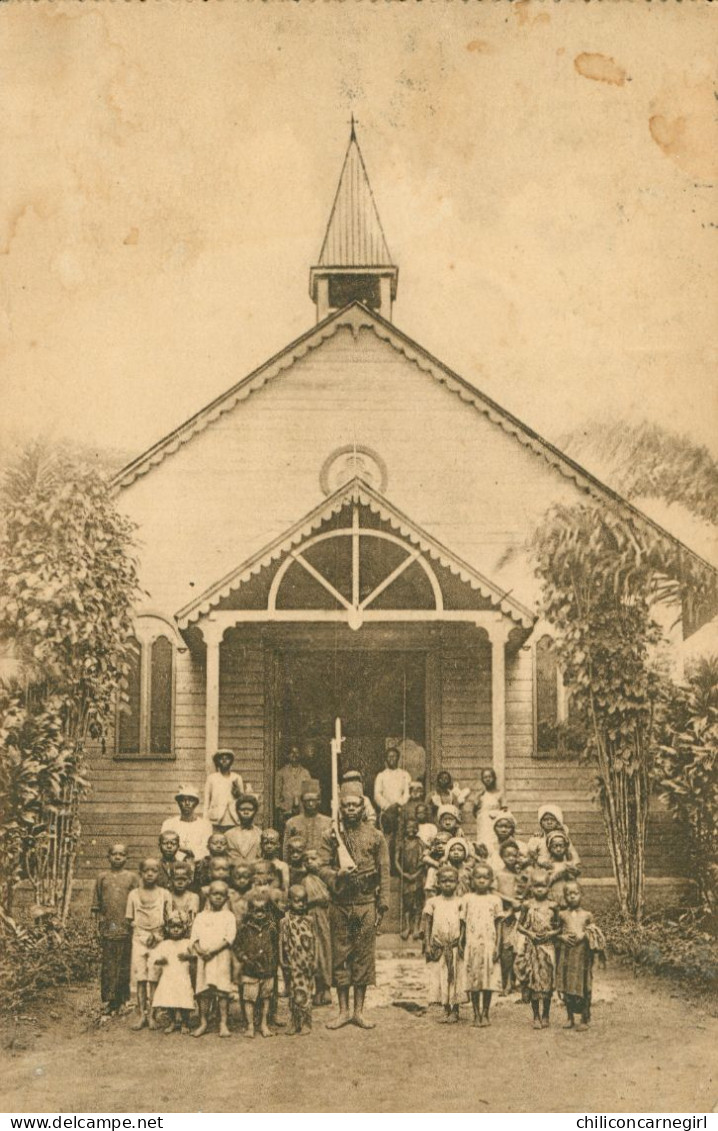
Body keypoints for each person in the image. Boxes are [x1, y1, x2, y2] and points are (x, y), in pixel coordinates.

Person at [317, 780, 390, 1030]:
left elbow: (384, 871)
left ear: (362, 807)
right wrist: (337, 876)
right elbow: (321, 867)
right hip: (339, 903)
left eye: (354, 805)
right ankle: (343, 1011)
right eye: (345, 805)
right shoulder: (331, 835)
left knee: (363, 956)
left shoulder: (375, 835)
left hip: (366, 902)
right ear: (340, 808)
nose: (350, 810)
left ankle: (359, 1011)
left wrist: (383, 904)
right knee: (340, 956)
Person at [91, 843, 139, 1015]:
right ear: (108, 857)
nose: (118, 857)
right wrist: (99, 924)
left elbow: (138, 902)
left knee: (124, 964)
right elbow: (96, 904)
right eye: (114, 854)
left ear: (127, 858)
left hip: (127, 927)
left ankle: (123, 998)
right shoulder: (102, 877)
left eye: (122, 854)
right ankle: (110, 1000)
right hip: (109, 927)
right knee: (109, 964)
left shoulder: (132, 878)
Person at [125, 857, 172, 1030]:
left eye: (154, 871)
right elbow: (130, 920)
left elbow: (169, 921)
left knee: (154, 977)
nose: (150, 874)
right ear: (141, 873)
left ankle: (153, 1014)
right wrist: (143, 936)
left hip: (158, 939)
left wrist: (158, 936)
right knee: (140, 977)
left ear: (159, 873)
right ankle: (141, 1015)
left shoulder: (164, 894)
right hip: (139, 939)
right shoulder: (133, 894)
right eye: (147, 871)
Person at [556, 882, 606, 1030]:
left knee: (584, 985)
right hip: (567, 955)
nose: (572, 896)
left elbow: (594, 932)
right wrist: (562, 937)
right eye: (568, 894)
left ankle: (585, 1017)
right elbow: (556, 932)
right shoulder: (561, 914)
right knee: (567, 984)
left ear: (581, 895)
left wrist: (583, 935)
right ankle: (570, 1017)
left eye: (575, 893)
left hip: (583, 956)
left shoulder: (587, 915)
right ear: (564, 897)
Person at [190, 880, 236, 1038]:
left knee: (222, 990)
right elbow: (194, 937)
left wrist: (213, 951)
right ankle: (203, 1022)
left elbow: (229, 938)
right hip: (204, 958)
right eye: (215, 894)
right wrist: (200, 951)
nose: (218, 897)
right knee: (204, 991)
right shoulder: (201, 917)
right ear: (208, 896)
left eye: (222, 895)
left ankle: (223, 1023)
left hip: (221, 957)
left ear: (226, 898)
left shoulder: (228, 916)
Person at [460, 863, 504, 1027]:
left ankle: (485, 1012)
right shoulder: (467, 899)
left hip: (489, 945)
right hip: (472, 945)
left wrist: (498, 944)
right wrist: (461, 940)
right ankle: (476, 1013)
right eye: (478, 877)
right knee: (474, 980)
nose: (481, 881)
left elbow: (499, 923)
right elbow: (463, 922)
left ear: (491, 880)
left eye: (485, 877)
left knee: (488, 980)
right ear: (472, 880)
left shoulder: (495, 900)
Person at [516, 871, 561, 1029]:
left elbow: (559, 928)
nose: (539, 890)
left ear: (548, 888)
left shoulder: (553, 906)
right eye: (536, 886)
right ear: (531, 887)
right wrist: (530, 933)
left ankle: (546, 1014)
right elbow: (519, 926)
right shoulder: (527, 905)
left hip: (547, 949)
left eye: (543, 886)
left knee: (546, 983)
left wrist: (550, 933)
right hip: (532, 948)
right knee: (533, 982)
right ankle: (535, 1015)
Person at [233, 890, 280, 1039]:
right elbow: (236, 946)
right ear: (250, 911)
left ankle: (264, 1024)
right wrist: (244, 957)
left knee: (266, 997)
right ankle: (250, 1025)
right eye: (255, 911)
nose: (259, 914)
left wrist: (273, 963)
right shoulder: (244, 928)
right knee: (249, 998)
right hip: (250, 969)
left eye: (263, 911)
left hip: (267, 970)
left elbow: (275, 946)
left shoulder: (272, 928)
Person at [421, 864, 464, 1024]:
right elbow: (427, 923)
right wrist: (427, 944)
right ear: (437, 883)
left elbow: (463, 924)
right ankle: (445, 1009)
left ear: (457, 882)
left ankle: (455, 1009)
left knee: (455, 978)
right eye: (444, 881)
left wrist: (461, 943)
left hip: (454, 946)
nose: (447, 884)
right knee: (440, 978)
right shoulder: (433, 902)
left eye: (451, 881)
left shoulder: (460, 902)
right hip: (439, 946)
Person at [279, 884, 317, 1036]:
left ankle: (307, 1022)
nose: (301, 904)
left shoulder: (309, 920)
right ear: (289, 902)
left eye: (304, 901)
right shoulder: (285, 921)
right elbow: (280, 942)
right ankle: (295, 1022)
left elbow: (316, 942)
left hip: (306, 963)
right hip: (291, 963)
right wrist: (282, 960)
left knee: (306, 993)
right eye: (297, 901)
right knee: (293, 994)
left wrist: (316, 960)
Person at [493, 840, 529, 994]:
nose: (511, 858)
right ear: (502, 856)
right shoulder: (499, 874)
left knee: (518, 948)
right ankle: (506, 982)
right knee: (505, 949)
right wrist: (510, 901)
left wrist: (520, 903)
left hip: (520, 915)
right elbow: (494, 891)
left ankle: (515, 981)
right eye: (507, 855)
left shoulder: (522, 874)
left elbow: (528, 891)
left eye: (514, 855)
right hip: (505, 915)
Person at [150, 913, 195, 1035]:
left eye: (179, 927)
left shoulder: (187, 943)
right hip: (168, 976)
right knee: (168, 999)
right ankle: (173, 1022)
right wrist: (160, 960)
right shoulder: (165, 944)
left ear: (184, 928)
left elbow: (196, 956)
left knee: (184, 998)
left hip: (182, 976)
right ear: (168, 929)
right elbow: (155, 958)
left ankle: (185, 1022)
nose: (175, 929)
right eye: (173, 927)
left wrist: (188, 956)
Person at [374, 747, 411, 861]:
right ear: (385, 759)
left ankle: (398, 865)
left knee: (399, 838)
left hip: (400, 810)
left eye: (394, 756)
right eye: (389, 756)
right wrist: (388, 806)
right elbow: (377, 794)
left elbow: (407, 793)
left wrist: (398, 804)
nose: (391, 759)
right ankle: (387, 865)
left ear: (398, 758)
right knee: (386, 840)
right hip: (386, 812)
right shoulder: (381, 775)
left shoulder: (404, 775)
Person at [161, 786, 212, 864]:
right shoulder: (168, 824)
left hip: (198, 863)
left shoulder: (205, 825)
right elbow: (165, 846)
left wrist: (192, 854)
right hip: (173, 862)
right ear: (178, 803)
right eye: (184, 800)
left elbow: (206, 849)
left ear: (196, 803)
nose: (187, 803)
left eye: (191, 800)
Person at [283, 779, 332, 858]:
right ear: (302, 801)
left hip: (322, 865)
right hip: (299, 866)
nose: (311, 803)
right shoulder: (292, 823)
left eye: (313, 800)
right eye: (307, 800)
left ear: (319, 801)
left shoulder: (328, 822)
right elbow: (286, 850)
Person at [395, 817, 425, 940]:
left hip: (418, 876)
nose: (411, 829)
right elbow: (396, 860)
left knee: (417, 902)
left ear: (417, 828)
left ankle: (416, 927)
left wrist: (417, 874)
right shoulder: (401, 842)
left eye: (414, 827)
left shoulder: (420, 843)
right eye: (408, 827)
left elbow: (423, 860)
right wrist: (403, 874)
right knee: (407, 903)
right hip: (405, 877)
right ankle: (407, 926)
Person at [527, 803, 581, 869]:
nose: (549, 822)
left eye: (552, 819)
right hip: (541, 872)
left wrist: (573, 867)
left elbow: (574, 857)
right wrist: (540, 861)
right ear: (541, 822)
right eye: (546, 820)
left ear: (557, 821)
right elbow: (529, 856)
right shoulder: (536, 839)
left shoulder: (563, 838)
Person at [203, 749, 244, 833]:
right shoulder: (212, 778)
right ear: (217, 761)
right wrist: (205, 819)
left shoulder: (237, 777)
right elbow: (207, 800)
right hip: (216, 818)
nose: (224, 760)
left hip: (233, 818)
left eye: (227, 758)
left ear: (231, 761)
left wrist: (237, 793)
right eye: (221, 758)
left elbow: (242, 800)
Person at [275, 745, 311, 832]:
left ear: (300, 755)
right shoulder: (281, 773)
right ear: (288, 755)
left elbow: (309, 793)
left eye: (297, 752)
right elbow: (277, 793)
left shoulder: (305, 773)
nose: (294, 755)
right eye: (292, 753)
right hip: (286, 811)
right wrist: (280, 807)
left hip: (301, 810)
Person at [544, 829, 581, 907]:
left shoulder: (568, 864)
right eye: (555, 846)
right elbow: (545, 884)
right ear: (549, 847)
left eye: (561, 846)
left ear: (566, 847)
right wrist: (558, 874)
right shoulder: (549, 865)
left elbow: (574, 881)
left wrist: (574, 871)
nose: (558, 849)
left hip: (565, 895)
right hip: (552, 895)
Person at [472, 767, 506, 849]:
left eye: (489, 777)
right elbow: (474, 812)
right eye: (485, 777)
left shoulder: (499, 794)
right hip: (484, 825)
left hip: (496, 823)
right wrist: (476, 806)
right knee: (484, 844)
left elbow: (505, 810)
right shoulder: (480, 795)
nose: (487, 779)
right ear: (482, 780)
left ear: (494, 778)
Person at [225, 794, 262, 865]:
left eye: (250, 810)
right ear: (237, 811)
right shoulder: (228, 835)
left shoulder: (260, 834)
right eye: (242, 809)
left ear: (255, 811)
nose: (246, 812)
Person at [169, 861, 200, 931]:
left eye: (183, 879)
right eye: (177, 879)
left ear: (189, 880)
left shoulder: (194, 897)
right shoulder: (168, 896)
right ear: (171, 880)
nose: (180, 882)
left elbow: (193, 920)